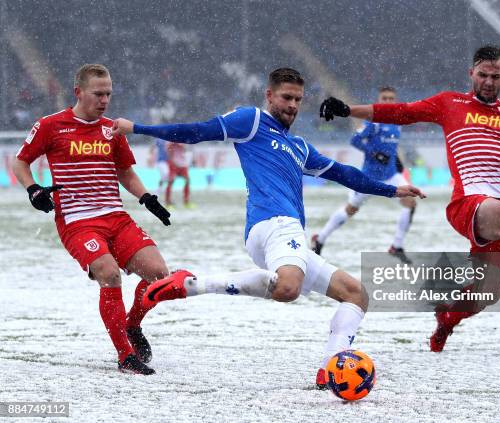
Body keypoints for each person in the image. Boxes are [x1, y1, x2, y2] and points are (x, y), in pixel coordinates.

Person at [112, 68, 425, 388]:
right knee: (287, 289)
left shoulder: (300, 147)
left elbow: (345, 174)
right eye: (286, 97)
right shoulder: (251, 121)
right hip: (277, 223)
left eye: (298, 100)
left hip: (280, 237)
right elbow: (197, 131)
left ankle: (329, 370)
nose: (292, 105)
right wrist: (138, 127)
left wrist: (392, 190)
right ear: (269, 95)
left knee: (356, 294)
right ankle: (190, 284)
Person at [319, 45, 500, 352]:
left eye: (495, 76)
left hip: (496, 211)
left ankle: (445, 321)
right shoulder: (450, 103)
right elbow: (402, 112)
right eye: (482, 75)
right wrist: (349, 110)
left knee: (485, 295)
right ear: (471, 73)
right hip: (467, 204)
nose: (488, 81)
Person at [13, 64, 173, 375]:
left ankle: (132, 325)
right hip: (77, 221)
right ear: (78, 92)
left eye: (108, 94)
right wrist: (33, 190)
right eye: (98, 94)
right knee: (108, 273)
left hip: (116, 216)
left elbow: (125, 171)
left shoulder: (111, 129)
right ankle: (125, 356)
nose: (104, 100)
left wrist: (147, 198)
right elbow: (21, 162)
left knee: (158, 274)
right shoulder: (50, 125)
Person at [311, 86, 417, 263]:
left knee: (411, 202)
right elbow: (355, 140)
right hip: (369, 178)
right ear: (379, 100)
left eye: (391, 98)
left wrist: (396, 162)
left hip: (391, 175)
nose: (388, 102)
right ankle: (320, 239)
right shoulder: (373, 122)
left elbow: (391, 147)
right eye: (385, 98)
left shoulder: (397, 121)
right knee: (351, 209)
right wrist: (374, 153)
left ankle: (396, 246)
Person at [165, 142, 193, 208]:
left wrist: (182, 145)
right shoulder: (170, 139)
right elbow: (167, 149)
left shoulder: (183, 138)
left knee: (187, 180)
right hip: (174, 163)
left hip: (182, 164)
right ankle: (168, 202)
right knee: (171, 181)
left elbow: (186, 150)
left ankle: (186, 201)